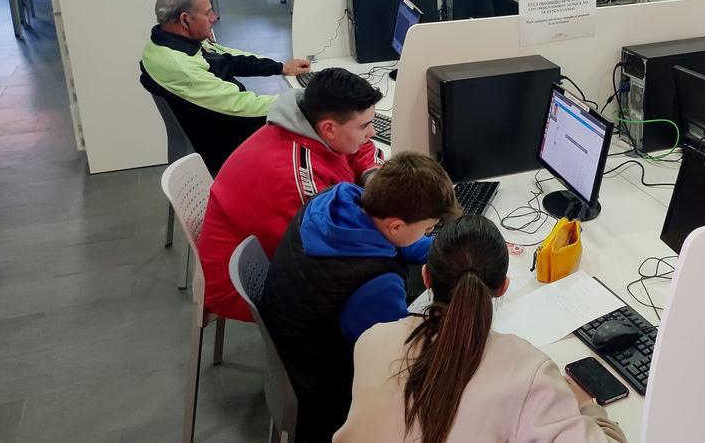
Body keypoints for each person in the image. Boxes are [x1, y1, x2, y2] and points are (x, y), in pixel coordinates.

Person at [335, 215, 627, 443]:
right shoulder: (529, 374)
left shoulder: (371, 341)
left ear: (426, 277)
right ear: (502, 287)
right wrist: (589, 409)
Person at [259, 152, 463, 442]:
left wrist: (445, 250)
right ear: (396, 225)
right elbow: (400, 356)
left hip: (293, 343)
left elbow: (392, 242)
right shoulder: (373, 288)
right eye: (428, 228)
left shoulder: (338, 200)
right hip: (322, 389)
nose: (429, 232)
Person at [197, 68, 385, 322]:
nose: (371, 132)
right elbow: (327, 250)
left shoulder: (310, 123)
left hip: (279, 251)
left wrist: (373, 176)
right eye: (364, 125)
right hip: (247, 284)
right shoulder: (293, 177)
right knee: (380, 288)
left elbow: (360, 147)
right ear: (328, 129)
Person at [139, 0, 311, 174]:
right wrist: (305, 102)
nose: (214, 18)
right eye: (208, 12)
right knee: (314, 130)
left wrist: (280, 67)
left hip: (221, 126)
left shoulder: (169, 41)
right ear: (185, 20)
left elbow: (227, 57)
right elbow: (240, 105)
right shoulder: (179, 65)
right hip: (226, 144)